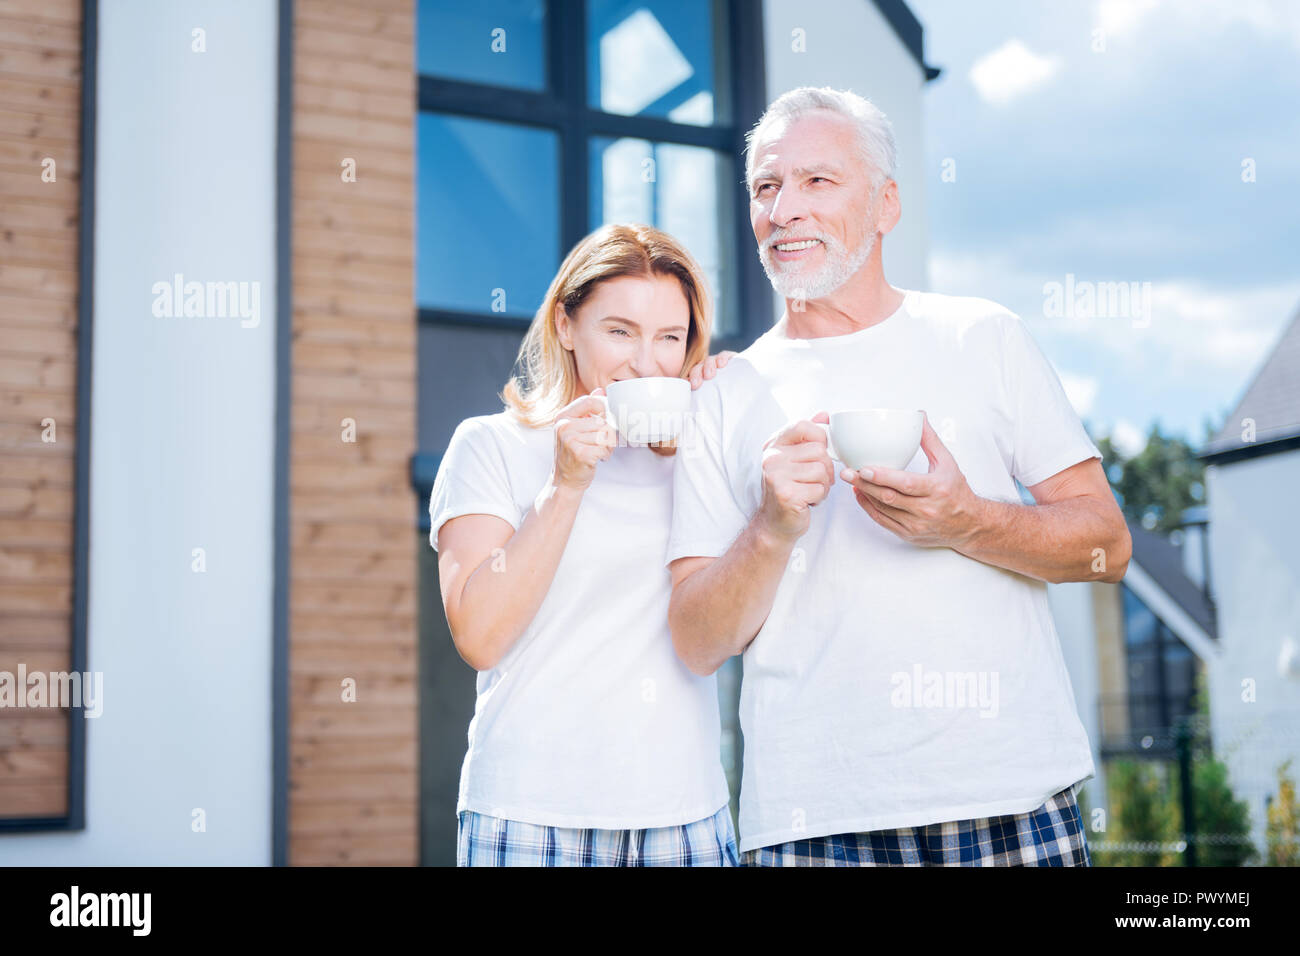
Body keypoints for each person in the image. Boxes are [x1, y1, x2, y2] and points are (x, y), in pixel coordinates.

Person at [665, 87, 1133, 866]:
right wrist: (772, 526)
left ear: (886, 205)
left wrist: (966, 521)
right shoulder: (724, 393)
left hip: (1010, 802)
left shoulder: (983, 338)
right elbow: (695, 642)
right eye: (767, 188)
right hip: (812, 826)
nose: (784, 210)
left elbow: (1107, 548)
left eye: (818, 182)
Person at [430, 223, 739, 866]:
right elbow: (480, 635)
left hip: (683, 818)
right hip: (529, 814)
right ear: (567, 326)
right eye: (619, 331)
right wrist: (565, 486)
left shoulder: (700, 458)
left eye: (669, 339)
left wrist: (736, 419)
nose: (646, 362)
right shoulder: (490, 446)